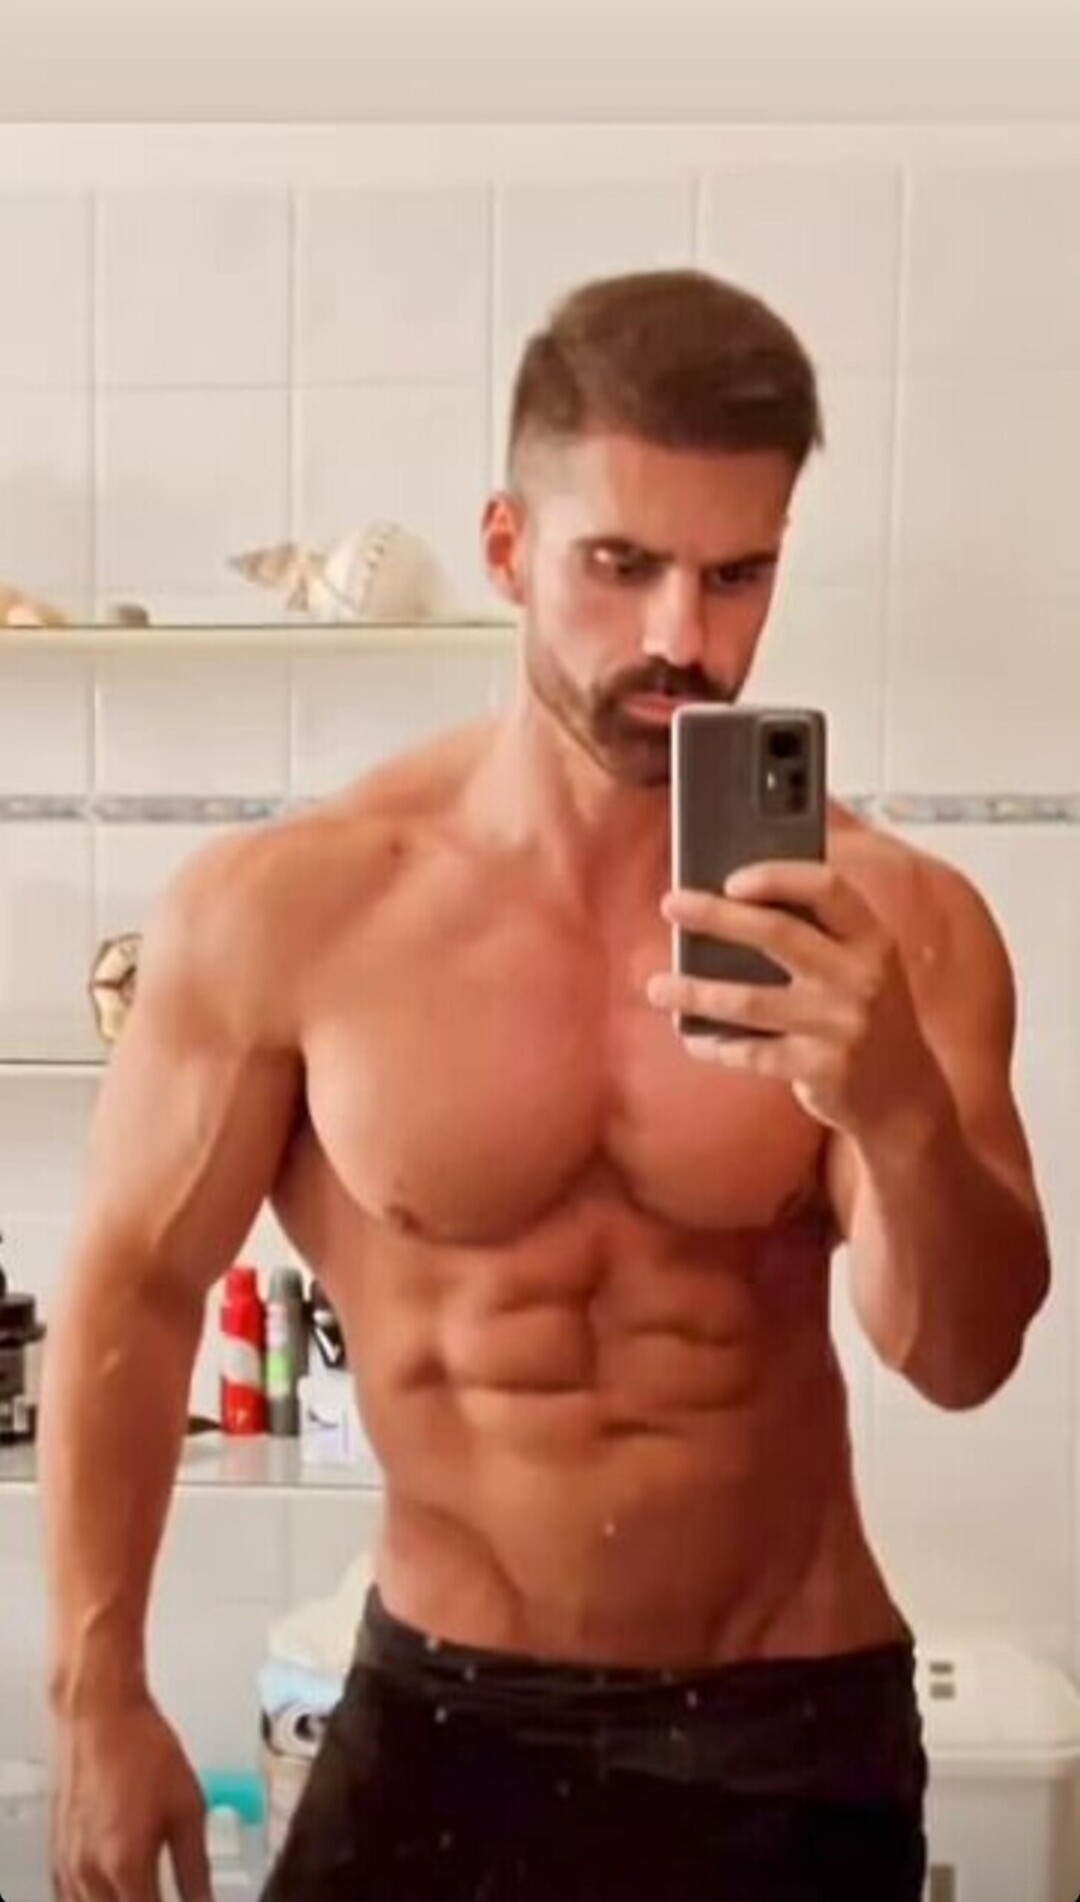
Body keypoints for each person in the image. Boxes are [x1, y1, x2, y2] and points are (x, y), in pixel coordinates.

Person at [40, 269, 1049, 1902]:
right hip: (443, 1713)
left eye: (735, 575)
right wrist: (98, 1688)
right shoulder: (297, 909)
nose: (680, 638)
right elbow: (135, 1290)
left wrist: (896, 1108)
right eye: (620, 564)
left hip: (787, 1726)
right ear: (508, 548)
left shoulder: (897, 926)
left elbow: (962, 1353)